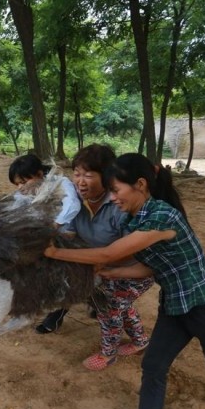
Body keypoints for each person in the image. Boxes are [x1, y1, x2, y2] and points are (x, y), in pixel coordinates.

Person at [44, 153, 205, 409]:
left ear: (140, 184)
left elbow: (108, 252)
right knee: (153, 365)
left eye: (116, 190)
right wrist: (113, 272)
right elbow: (152, 265)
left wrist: (55, 253)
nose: (112, 198)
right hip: (176, 306)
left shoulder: (162, 215)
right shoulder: (136, 219)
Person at [67, 145, 154, 370]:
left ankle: (108, 354)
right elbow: (66, 233)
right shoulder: (73, 202)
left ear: (106, 177)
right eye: (76, 173)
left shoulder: (119, 204)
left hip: (134, 269)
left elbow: (131, 249)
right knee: (121, 305)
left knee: (109, 308)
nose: (80, 181)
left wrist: (99, 262)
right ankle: (140, 341)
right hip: (100, 267)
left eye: (88, 175)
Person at [8, 154, 81, 333]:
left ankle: (58, 312)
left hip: (66, 235)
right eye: (16, 184)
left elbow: (73, 205)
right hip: (42, 235)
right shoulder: (25, 193)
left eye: (23, 181)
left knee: (60, 275)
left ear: (39, 174)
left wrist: (54, 227)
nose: (20, 187)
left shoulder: (61, 183)